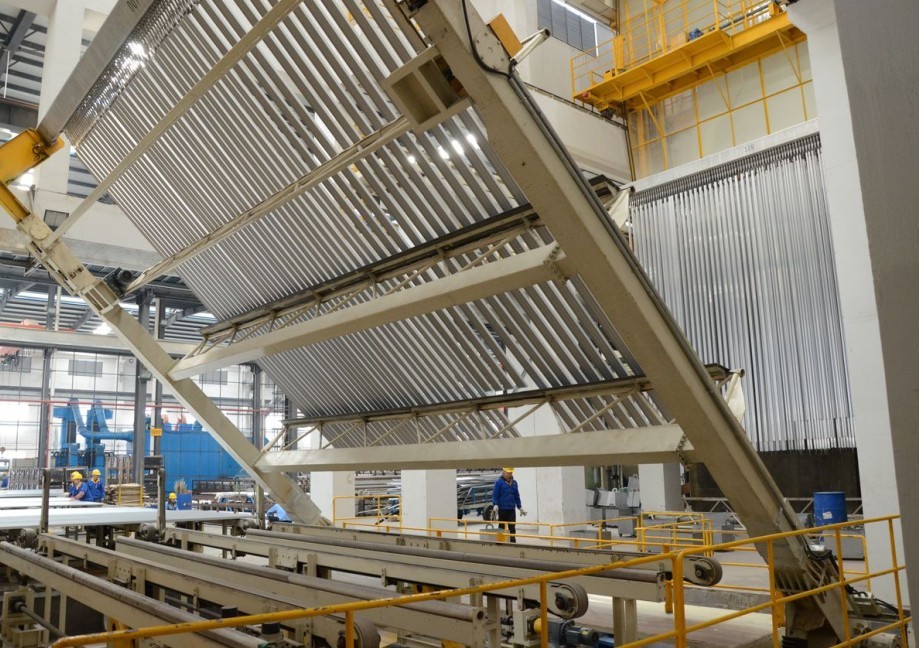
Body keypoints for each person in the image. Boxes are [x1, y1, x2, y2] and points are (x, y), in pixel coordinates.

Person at [492, 467, 526, 543]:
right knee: (501, 526)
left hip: (511, 509)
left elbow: (517, 496)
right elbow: (495, 495)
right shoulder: (499, 482)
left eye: (511, 473)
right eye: (508, 473)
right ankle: (500, 542)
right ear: (504, 471)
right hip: (502, 509)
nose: (510, 474)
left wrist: (520, 507)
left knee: (512, 526)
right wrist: (495, 504)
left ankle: (512, 541)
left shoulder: (514, 483)